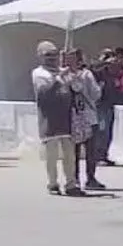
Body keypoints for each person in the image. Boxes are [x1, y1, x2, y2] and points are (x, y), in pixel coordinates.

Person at [32, 41, 82, 195]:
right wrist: (57, 77)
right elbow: (43, 92)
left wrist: (73, 74)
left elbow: (78, 88)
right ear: (40, 56)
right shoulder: (39, 73)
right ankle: (53, 183)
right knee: (52, 156)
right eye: (48, 55)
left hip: (66, 119)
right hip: (49, 119)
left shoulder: (63, 71)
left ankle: (71, 184)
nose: (52, 58)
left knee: (69, 155)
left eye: (54, 54)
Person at [63, 49, 105, 190]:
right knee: (73, 151)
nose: (69, 61)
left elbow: (95, 94)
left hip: (86, 116)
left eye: (72, 58)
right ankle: (74, 178)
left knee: (90, 150)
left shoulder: (86, 75)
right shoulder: (64, 75)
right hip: (71, 117)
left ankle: (90, 178)